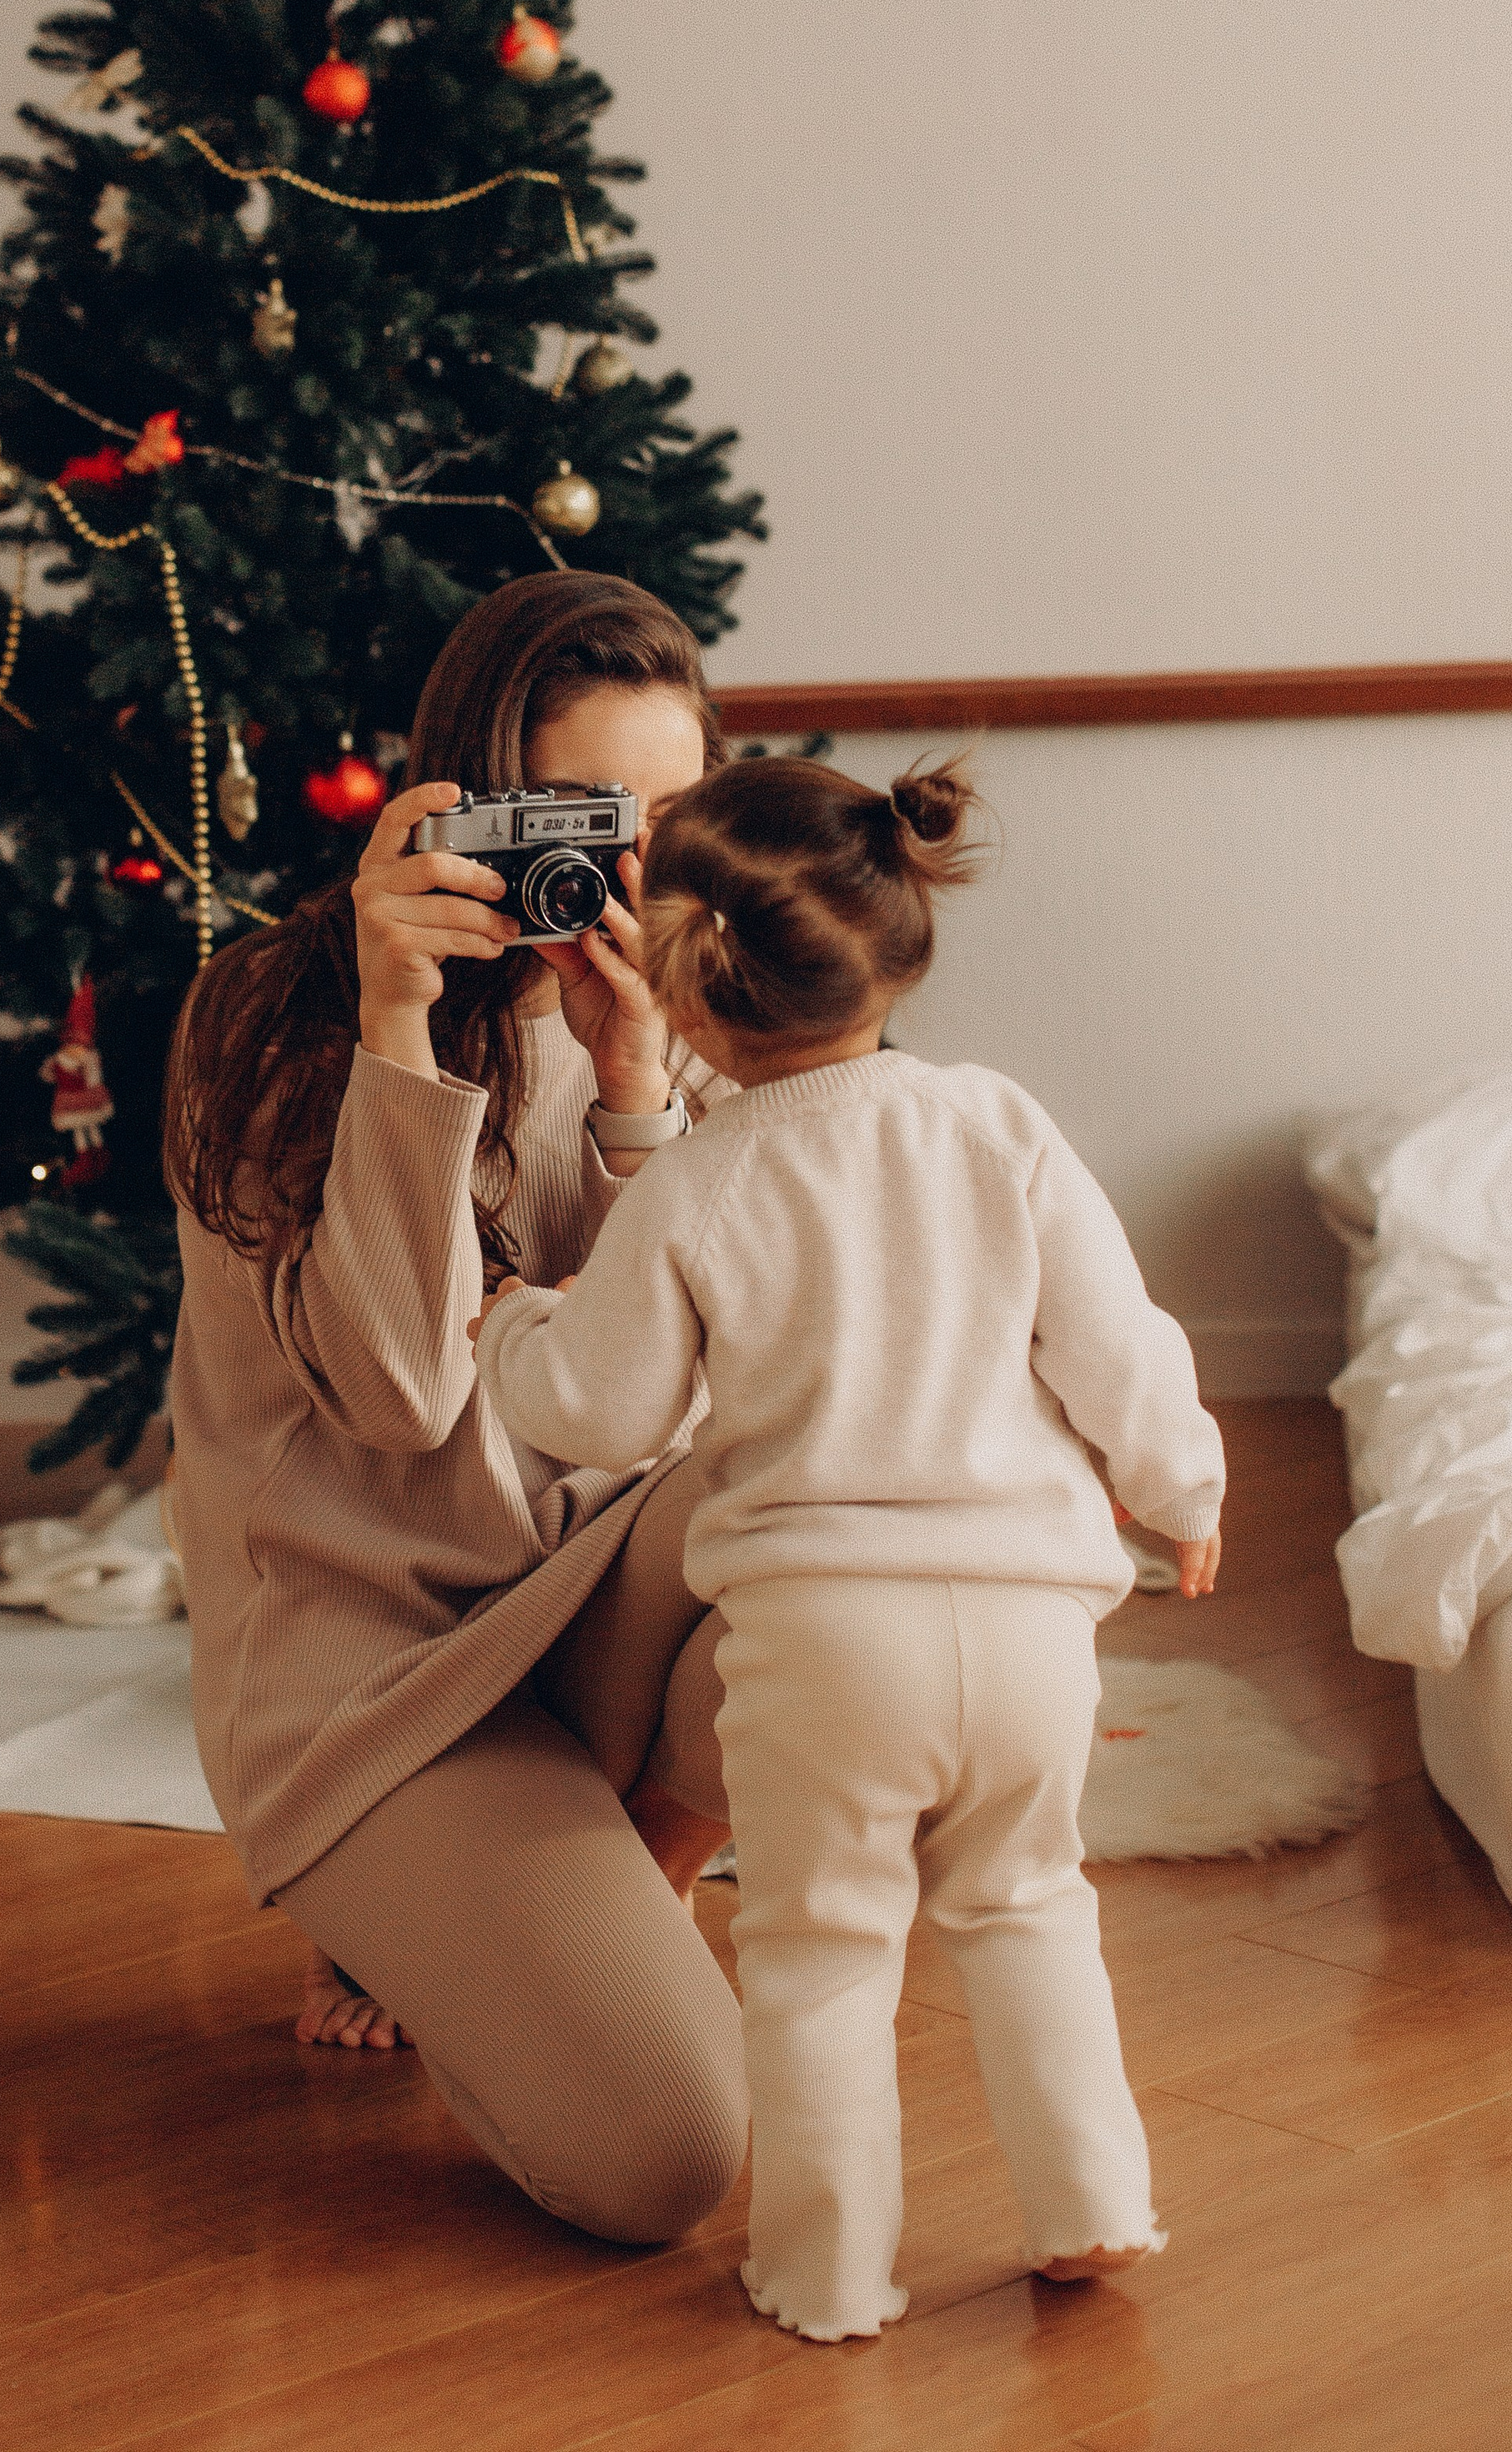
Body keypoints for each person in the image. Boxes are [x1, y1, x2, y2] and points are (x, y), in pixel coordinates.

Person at [472, 756, 1227, 2340]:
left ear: (679, 981)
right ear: (903, 935)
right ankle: (1095, 2206)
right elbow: (1118, 1342)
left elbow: (603, 1411)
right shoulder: (995, 1125)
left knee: (821, 1956)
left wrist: (514, 1329)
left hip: (825, 1642)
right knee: (1031, 1907)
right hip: (1028, 1631)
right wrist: (1186, 1486)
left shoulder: (694, 1177)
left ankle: (822, 2274)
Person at [160, 570, 750, 2246]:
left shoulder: (687, 1013)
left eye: (679, 816)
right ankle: (427, 1901)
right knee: (664, 2160)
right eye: (589, 819)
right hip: (374, 1679)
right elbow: (405, 1392)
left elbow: (740, 1373)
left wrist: (636, 1088)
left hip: (586, 1598)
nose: (630, 874)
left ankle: (631, 1860)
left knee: (850, 1478)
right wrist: (399, 1036)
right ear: (476, 810)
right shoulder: (260, 1023)